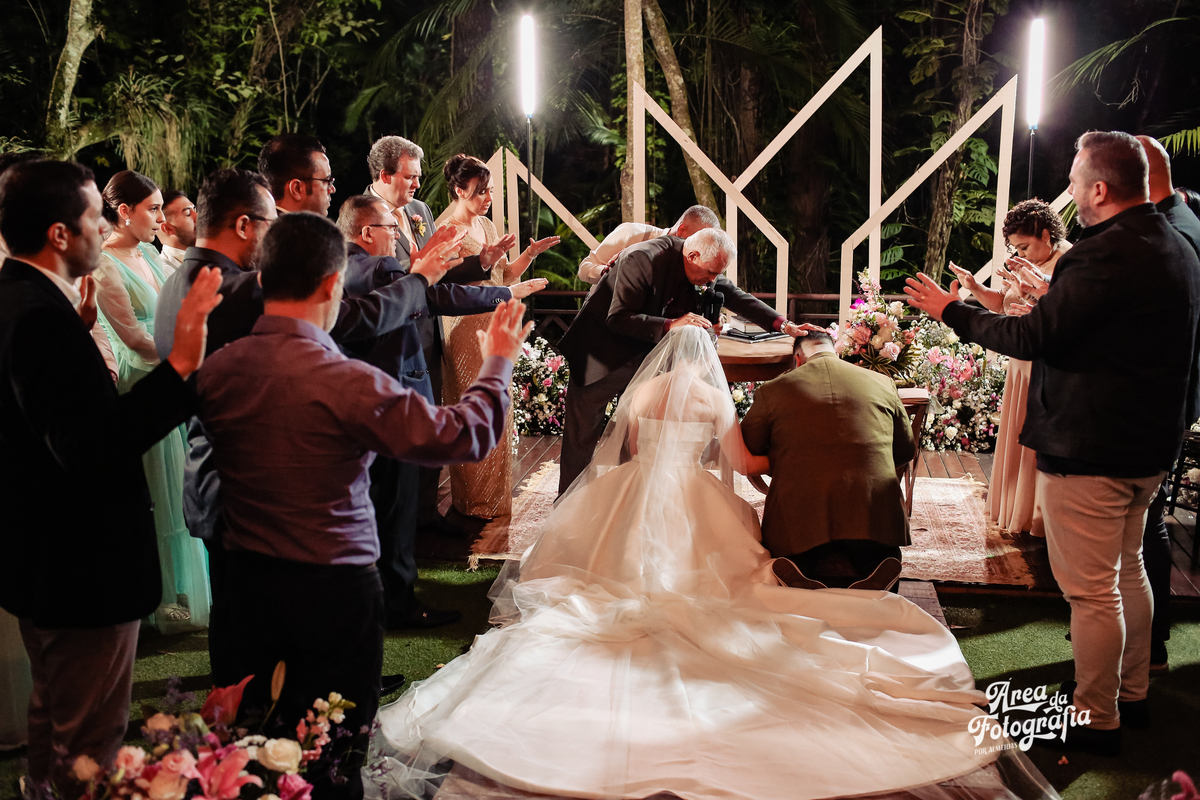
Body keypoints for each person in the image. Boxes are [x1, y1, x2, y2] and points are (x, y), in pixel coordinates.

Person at [368, 326, 1056, 800]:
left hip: (636, 492)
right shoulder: (710, 396)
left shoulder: (643, 394)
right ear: (706, 362)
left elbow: (629, 453)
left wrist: (653, 482)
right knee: (735, 571)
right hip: (695, 490)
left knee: (602, 570)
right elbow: (737, 463)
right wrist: (753, 494)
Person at [196, 212, 528, 800]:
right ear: (332, 286)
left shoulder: (216, 368)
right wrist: (499, 360)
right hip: (331, 593)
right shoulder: (342, 379)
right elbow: (463, 436)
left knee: (248, 751)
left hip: (242, 587)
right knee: (335, 750)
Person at [905, 131, 1200, 756]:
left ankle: (1099, 718)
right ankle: (1134, 692)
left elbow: (1033, 336)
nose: (1067, 192)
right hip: (1150, 443)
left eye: (1073, 180)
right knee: (1129, 571)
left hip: (1095, 446)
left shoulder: (1104, 255)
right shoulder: (1176, 243)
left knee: (1091, 591)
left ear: (1099, 188)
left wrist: (950, 310)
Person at [154, 169, 463, 684]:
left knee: (249, 629)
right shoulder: (235, 289)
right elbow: (355, 319)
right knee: (259, 637)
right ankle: (301, 706)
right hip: (247, 483)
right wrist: (421, 279)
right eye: (273, 223)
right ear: (245, 225)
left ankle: (292, 704)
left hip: (213, 475)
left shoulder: (177, 281)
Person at [0, 158, 222, 790]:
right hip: (79, 567)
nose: (104, 227)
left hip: (39, 558)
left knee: (52, 718)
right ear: (60, 235)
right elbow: (92, 447)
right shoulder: (39, 318)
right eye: (93, 215)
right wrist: (181, 365)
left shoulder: (22, 300)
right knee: (90, 737)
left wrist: (82, 333)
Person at [338, 193, 522, 628]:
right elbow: (435, 298)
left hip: (357, 405)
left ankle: (376, 601)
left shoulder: (339, 267)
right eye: (390, 228)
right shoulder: (381, 267)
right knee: (396, 513)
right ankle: (399, 604)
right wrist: (504, 297)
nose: (398, 233)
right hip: (394, 398)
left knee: (374, 509)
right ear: (367, 233)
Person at [556, 226, 805, 494]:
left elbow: (737, 296)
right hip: (600, 352)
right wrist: (671, 324)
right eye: (711, 273)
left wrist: (784, 325)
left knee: (637, 432)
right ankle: (568, 503)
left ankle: (632, 497)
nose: (713, 281)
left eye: (718, 274)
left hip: (644, 352)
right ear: (693, 255)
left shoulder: (704, 266)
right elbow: (617, 318)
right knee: (582, 436)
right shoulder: (640, 259)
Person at [364, 136, 520, 533]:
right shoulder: (360, 216)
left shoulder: (419, 211)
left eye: (418, 176)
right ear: (384, 175)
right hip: (391, 340)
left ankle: (425, 514)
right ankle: (393, 526)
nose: (417, 185)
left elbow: (443, 273)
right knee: (396, 439)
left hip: (429, 335)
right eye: (410, 177)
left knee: (430, 425)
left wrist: (482, 263)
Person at [96, 170, 210, 634]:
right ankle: (162, 602)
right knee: (162, 499)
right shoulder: (105, 264)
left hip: (176, 378)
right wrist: (182, 352)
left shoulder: (148, 253)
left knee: (184, 493)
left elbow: (177, 305)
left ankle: (186, 594)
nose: (161, 218)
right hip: (145, 383)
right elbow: (133, 336)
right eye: (154, 208)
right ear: (124, 212)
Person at [741, 329, 915, 591]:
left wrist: (792, 456)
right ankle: (880, 563)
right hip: (874, 514)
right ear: (835, 352)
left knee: (797, 542)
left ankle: (798, 568)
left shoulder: (772, 391)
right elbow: (905, 450)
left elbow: (750, 448)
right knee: (874, 545)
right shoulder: (881, 382)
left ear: (797, 359)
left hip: (801, 517)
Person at [437, 154, 555, 519]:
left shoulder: (486, 227)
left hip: (494, 323)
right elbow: (446, 282)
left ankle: (494, 498)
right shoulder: (445, 230)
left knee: (499, 409)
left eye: (489, 190)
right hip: (466, 326)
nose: (488, 197)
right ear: (459, 190)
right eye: (481, 191)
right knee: (476, 407)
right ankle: (472, 502)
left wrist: (529, 255)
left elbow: (502, 278)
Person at [949, 200, 1072, 538]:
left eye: (1025, 246)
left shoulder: (1069, 262)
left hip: (1046, 363)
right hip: (1020, 362)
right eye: (1016, 248)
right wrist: (974, 288)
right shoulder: (1026, 263)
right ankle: (1013, 506)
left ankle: (1036, 515)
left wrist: (1033, 311)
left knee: (1036, 434)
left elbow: (1066, 318)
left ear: (1046, 235)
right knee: (1017, 430)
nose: (1021, 254)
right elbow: (1002, 305)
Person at [1135, 135, 1200, 677]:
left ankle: (1150, 645)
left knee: (1148, 523)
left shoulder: (1177, 235)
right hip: (1167, 396)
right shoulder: (1179, 224)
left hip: (1162, 401)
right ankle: (1132, 630)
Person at [577, 204, 720, 284]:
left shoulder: (690, 261)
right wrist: (608, 272)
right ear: (682, 229)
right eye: (699, 241)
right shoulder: (631, 233)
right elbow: (584, 268)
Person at [258, 133, 336, 216]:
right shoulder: (291, 228)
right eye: (327, 181)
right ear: (297, 189)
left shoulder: (258, 224)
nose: (332, 189)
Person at [155, 189, 197, 274]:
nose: (197, 216)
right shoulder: (163, 272)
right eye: (188, 213)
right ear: (167, 229)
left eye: (195, 210)